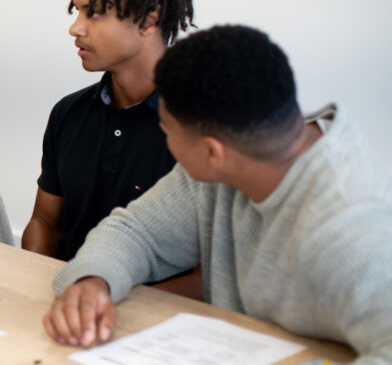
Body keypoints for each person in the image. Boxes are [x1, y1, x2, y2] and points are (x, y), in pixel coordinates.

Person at [44, 25, 392, 362]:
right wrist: (93, 280)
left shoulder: (356, 228)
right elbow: (136, 232)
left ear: (213, 152)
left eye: (166, 129)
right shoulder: (228, 164)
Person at [21, 0, 195, 263]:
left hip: (155, 309)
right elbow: (45, 221)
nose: (75, 27)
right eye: (77, 10)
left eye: (95, 13)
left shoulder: (202, 126)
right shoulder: (68, 113)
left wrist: (101, 292)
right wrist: (36, 277)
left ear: (149, 20)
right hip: (67, 300)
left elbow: (210, 271)